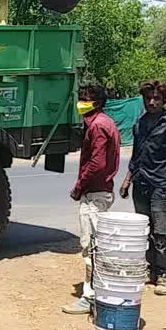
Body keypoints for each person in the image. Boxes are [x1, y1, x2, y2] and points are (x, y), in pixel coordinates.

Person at [119, 80, 166, 296]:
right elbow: (136, 155)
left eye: (156, 98)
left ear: (164, 100)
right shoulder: (140, 123)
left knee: (161, 231)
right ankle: (150, 269)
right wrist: (127, 180)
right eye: (148, 98)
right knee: (143, 230)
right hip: (140, 183)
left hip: (161, 186)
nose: (151, 102)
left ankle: (164, 274)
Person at [63, 84, 121, 314]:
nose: (81, 103)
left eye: (85, 99)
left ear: (96, 103)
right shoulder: (104, 122)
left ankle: (91, 297)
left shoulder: (97, 126)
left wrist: (79, 186)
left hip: (95, 194)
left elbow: (97, 164)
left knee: (91, 246)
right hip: (101, 191)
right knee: (97, 244)